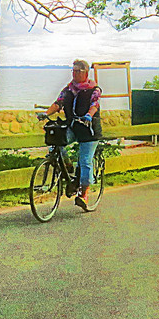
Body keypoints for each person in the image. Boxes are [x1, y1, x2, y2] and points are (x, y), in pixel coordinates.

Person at [46, 59, 101, 211]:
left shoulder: (94, 89)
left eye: (78, 71)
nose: (75, 74)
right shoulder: (69, 89)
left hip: (89, 130)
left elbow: (94, 104)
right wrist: (45, 114)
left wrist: (89, 115)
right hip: (73, 126)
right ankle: (68, 167)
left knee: (84, 161)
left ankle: (84, 194)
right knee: (57, 142)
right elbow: (58, 103)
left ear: (86, 73)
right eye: (73, 71)